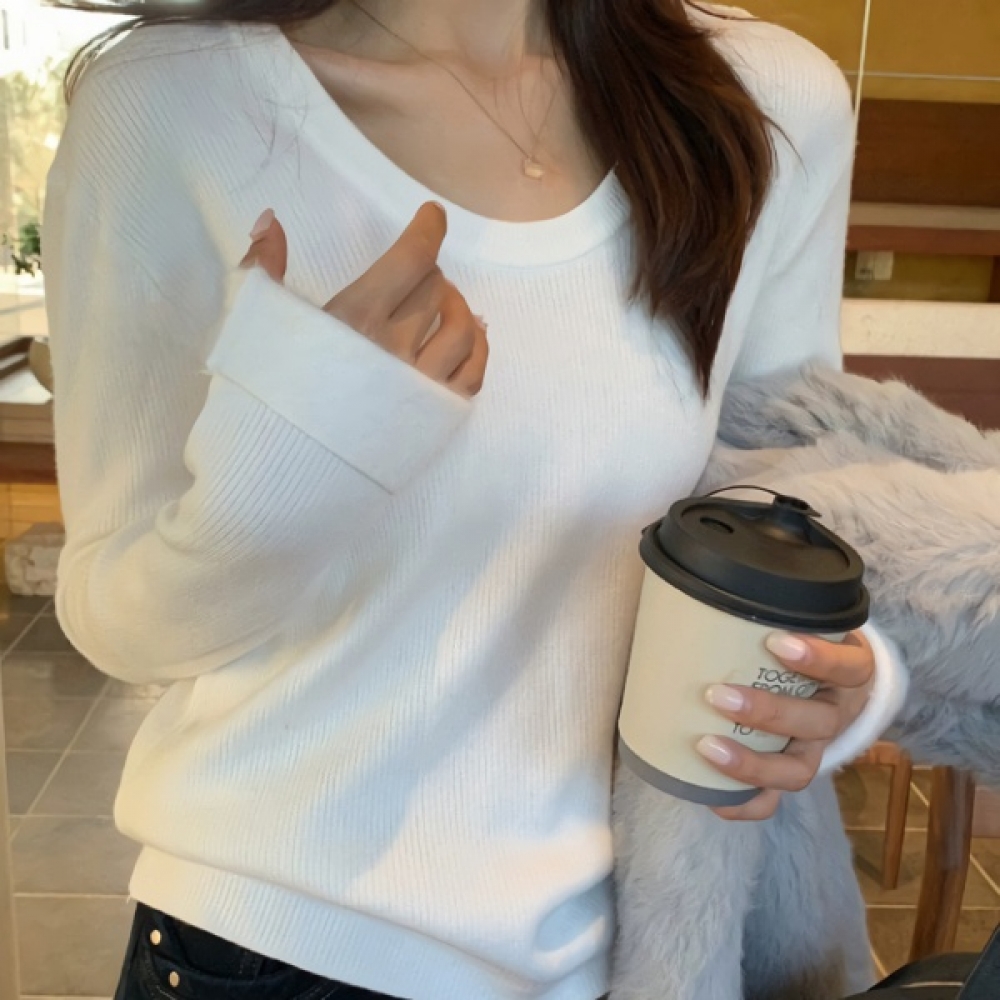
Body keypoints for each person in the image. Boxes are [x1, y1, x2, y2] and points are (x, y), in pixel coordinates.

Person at [42, 1, 908, 998]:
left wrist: (831, 681)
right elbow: (115, 621)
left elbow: (785, 504)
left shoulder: (768, 100)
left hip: (618, 955)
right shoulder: (169, 102)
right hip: (276, 943)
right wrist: (290, 453)